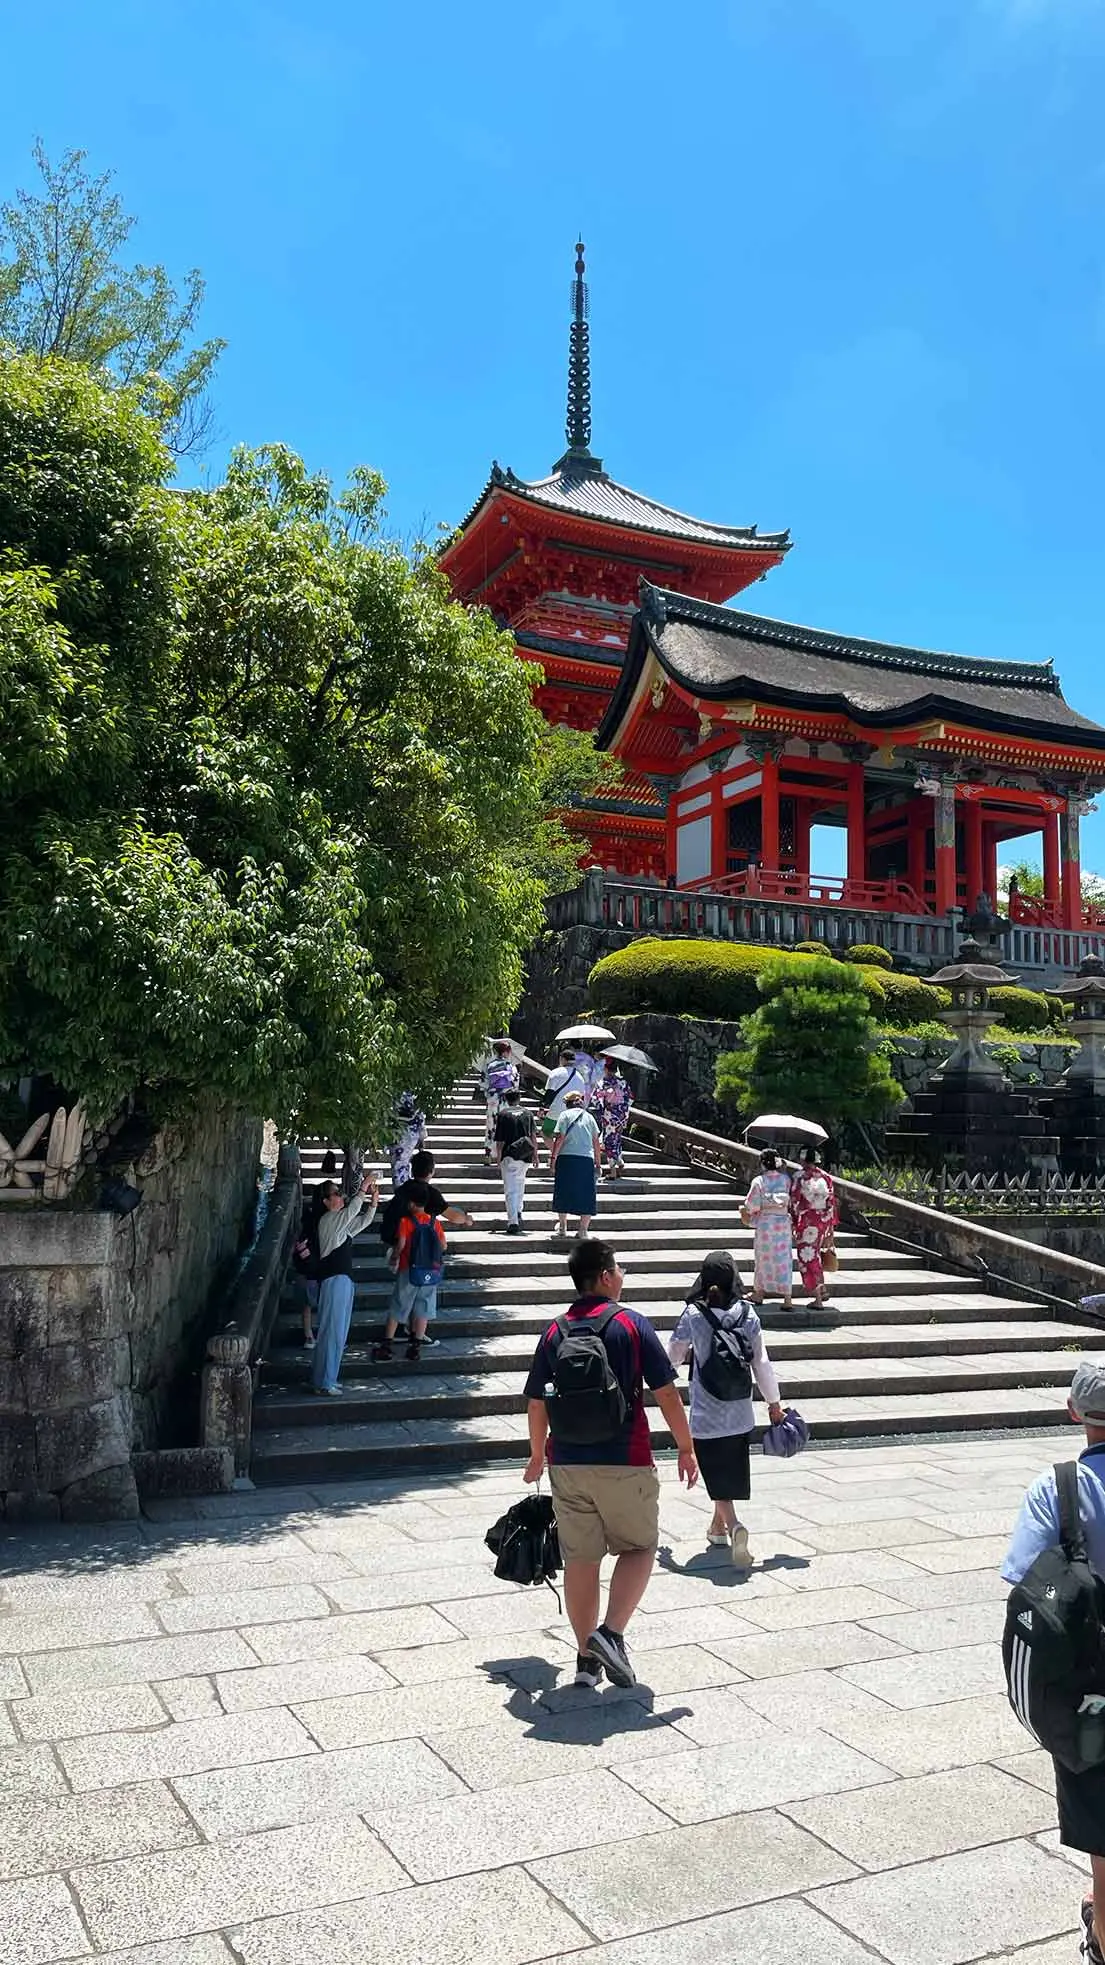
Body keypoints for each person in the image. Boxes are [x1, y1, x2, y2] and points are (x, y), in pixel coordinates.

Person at [522, 1237, 698, 1690]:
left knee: (581, 1561)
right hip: (626, 1458)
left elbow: (537, 1401)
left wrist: (538, 1453)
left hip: (567, 1462)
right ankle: (611, 1633)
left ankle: (585, 1661)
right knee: (640, 1548)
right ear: (604, 1276)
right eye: (619, 1269)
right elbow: (665, 1393)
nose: (622, 1276)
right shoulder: (631, 1324)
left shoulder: (554, 1331)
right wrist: (685, 1446)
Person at [1002, 1358, 1105, 1965]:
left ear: (1074, 1413)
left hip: (1091, 1672)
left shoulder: (1057, 1487)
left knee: (1099, 1802)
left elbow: (1024, 1579)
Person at [667, 1250, 785, 1567]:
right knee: (726, 1472)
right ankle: (716, 1528)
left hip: (707, 1412)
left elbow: (673, 1357)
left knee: (713, 1472)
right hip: (740, 1412)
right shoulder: (748, 1314)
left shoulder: (693, 1314)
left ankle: (733, 1526)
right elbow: (761, 1362)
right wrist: (774, 1403)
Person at [378, 1149, 474, 1345]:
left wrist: (396, 1253)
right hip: (424, 1257)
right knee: (423, 1295)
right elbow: (451, 1216)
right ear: (431, 1171)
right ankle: (416, 1335)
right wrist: (466, 1219)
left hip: (401, 1250)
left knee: (403, 1295)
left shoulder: (403, 1190)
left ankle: (398, 1333)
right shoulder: (430, 1194)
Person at [312, 1173, 379, 1396]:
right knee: (332, 1331)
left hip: (342, 1281)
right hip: (334, 1281)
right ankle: (325, 1381)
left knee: (337, 1331)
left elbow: (361, 1221)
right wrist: (364, 1186)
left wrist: (373, 1203)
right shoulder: (328, 1220)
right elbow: (351, 1212)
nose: (341, 1196)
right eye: (336, 1193)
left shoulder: (338, 1225)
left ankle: (326, 1378)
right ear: (326, 1201)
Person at [372, 1195, 447, 1363]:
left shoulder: (406, 1221)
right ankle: (415, 1348)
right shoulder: (434, 1222)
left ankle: (387, 1345)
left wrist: (395, 1257)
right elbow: (443, 1245)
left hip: (408, 1269)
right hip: (429, 1272)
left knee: (399, 1305)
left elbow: (401, 1244)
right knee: (423, 1309)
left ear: (412, 1203)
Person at [743, 1150, 794, 1309]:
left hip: (766, 1224)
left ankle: (759, 1293)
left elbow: (752, 1205)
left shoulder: (759, 1181)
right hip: (783, 1224)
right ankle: (787, 1298)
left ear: (763, 1163)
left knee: (763, 1259)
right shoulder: (786, 1180)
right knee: (784, 1259)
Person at [550, 1089, 602, 1241]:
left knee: (563, 1190)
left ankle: (562, 1226)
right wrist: (598, 1163)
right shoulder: (589, 1117)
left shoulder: (564, 1115)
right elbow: (596, 1142)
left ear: (567, 1104)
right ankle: (583, 1230)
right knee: (587, 1194)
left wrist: (553, 1158)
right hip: (586, 1159)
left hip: (566, 1157)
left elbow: (559, 1138)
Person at [790, 1147, 838, 1307]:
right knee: (814, 1253)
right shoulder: (826, 1177)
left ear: (803, 1160)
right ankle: (820, 1290)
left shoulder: (799, 1177)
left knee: (808, 1256)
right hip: (822, 1220)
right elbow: (831, 1203)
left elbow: (794, 1201)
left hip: (807, 1220)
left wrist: (793, 1222)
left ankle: (819, 1296)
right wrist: (831, 1227)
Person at [494, 1086, 537, 1235]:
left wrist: (498, 1158)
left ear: (506, 1099)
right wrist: (536, 1155)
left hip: (509, 1154)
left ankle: (513, 1221)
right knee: (520, 1184)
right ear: (519, 1098)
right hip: (526, 1154)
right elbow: (533, 1136)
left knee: (510, 1189)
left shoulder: (503, 1114)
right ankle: (518, 1211)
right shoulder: (528, 1114)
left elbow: (500, 1140)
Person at [292, 1184, 326, 1350]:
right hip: (317, 1264)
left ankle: (309, 1336)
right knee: (319, 1301)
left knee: (307, 1304)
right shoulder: (325, 1218)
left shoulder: (308, 1215)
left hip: (305, 1265)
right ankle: (317, 1334)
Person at [540, 1047, 589, 1148]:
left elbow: (549, 1093)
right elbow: (582, 1096)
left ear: (562, 1059)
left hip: (555, 1111)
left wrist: (542, 1108)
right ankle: (558, 1154)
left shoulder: (556, 1073)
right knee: (565, 1136)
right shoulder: (580, 1076)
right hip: (573, 1112)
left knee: (545, 1133)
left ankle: (555, 1153)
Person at [594, 1055, 633, 1180]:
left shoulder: (603, 1083)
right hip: (621, 1116)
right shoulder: (623, 1082)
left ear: (605, 1069)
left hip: (609, 1116)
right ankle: (620, 1163)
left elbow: (597, 1100)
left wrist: (605, 1105)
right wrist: (622, 1108)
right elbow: (630, 1099)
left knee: (609, 1141)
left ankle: (613, 1171)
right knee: (617, 1139)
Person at [481, 1041, 519, 1164]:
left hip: (493, 1100)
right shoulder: (511, 1066)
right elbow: (515, 1084)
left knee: (491, 1127)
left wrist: (490, 1092)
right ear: (505, 1052)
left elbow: (483, 1083)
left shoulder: (489, 1065)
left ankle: (488, 1155)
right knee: (506, 1127)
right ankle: (503, 1154)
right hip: (506, 1100)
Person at [388, 1092, 427, 1191]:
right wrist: (422, 1134)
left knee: (398, 1164)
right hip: (411, 1130)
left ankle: (401, 1193)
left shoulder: (395, 1090)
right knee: (403, 1163)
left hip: (397, 1130)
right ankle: (405, 1192)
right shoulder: (414, 1091)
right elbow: (420, 1114)